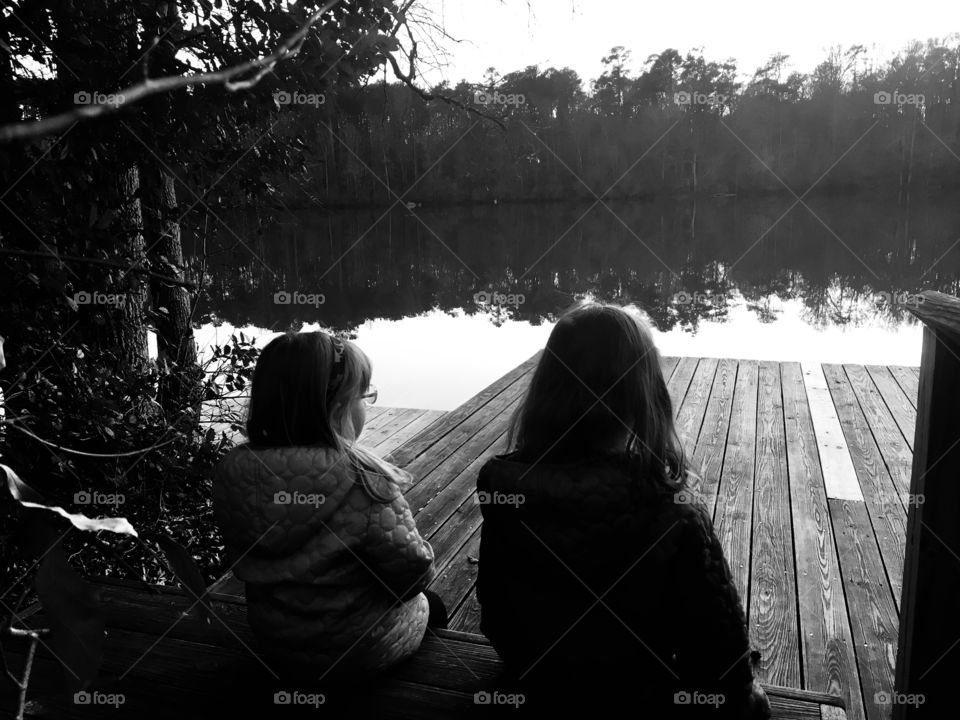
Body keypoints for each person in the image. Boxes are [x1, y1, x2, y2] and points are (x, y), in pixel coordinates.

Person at [475, 302, 770, 717]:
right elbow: (723, 664)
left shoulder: (501, 486)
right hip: (638, 699)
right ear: (646, 394)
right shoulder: (674, 512)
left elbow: (495, 610)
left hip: (535, 678)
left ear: (546, 387)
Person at [212, 331, 446, 689]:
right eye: (365, 395)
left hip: (276, 644)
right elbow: (412, 575)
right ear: (339, 407)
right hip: (356, 652)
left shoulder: (232, 471)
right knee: (436, 606)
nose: (367, 405)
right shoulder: (365, 481)